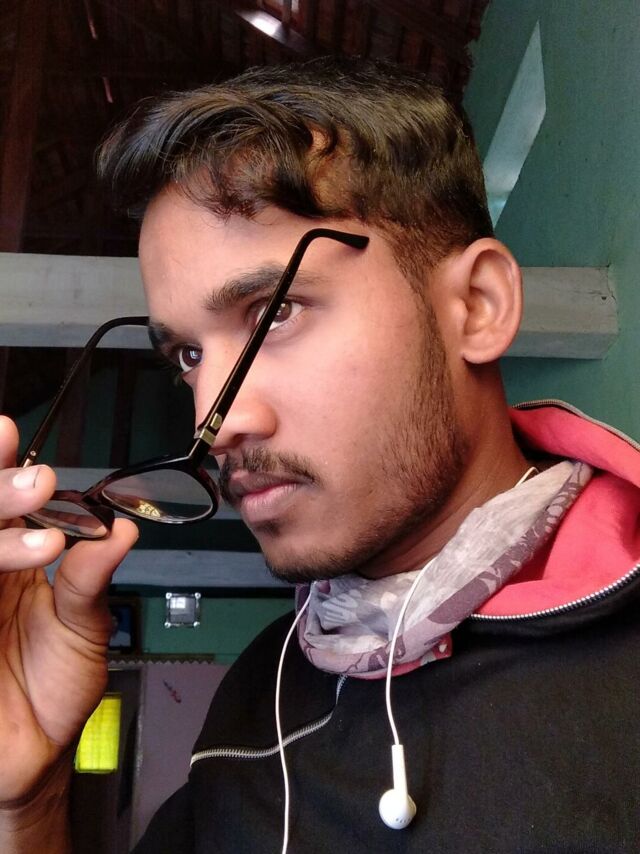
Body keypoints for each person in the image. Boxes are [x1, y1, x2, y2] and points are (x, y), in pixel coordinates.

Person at [1, 57, 639, 853]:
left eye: (274, 313)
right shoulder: (253, 701)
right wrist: (27, 805)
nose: (214, 424)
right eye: (189, 357)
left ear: (477, 306)